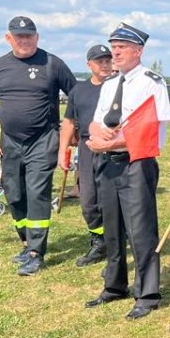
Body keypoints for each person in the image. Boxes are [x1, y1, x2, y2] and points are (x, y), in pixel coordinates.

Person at [84, 23, 170, 320]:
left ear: (138, 51)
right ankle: (114, 285)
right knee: (112, 227)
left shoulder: (152, 82)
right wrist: (97, 136)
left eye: (122, 47)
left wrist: (107, 144)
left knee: (141, 230)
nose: (116, 52)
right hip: (108, 164)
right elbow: (97, 121)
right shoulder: (110, 84)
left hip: (137, 163)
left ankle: (147, 294)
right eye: (114, 46)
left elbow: (152, 132)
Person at [0, 16, 76, 275]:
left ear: (37, 37)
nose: (24, 40)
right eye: (19, 36)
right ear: (8, 38)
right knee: (14, 192)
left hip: (43, 139)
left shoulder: (53, 63)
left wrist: (72, 132)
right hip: (10, 141)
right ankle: (25, 241)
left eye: (29, 36)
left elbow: (76, 97)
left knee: (37, 192)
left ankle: (36, 252)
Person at [58, 44, 113, 267]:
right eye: (99, 60)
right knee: (88, 200)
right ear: (89, 64)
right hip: (87, 146)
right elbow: (69, 122)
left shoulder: (120, 87)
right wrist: (63, 150)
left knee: (112, 199)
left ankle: (116, 240)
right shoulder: (78, 91)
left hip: (113, 147)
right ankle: (99, 243)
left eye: (108, 60)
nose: (105, 64)